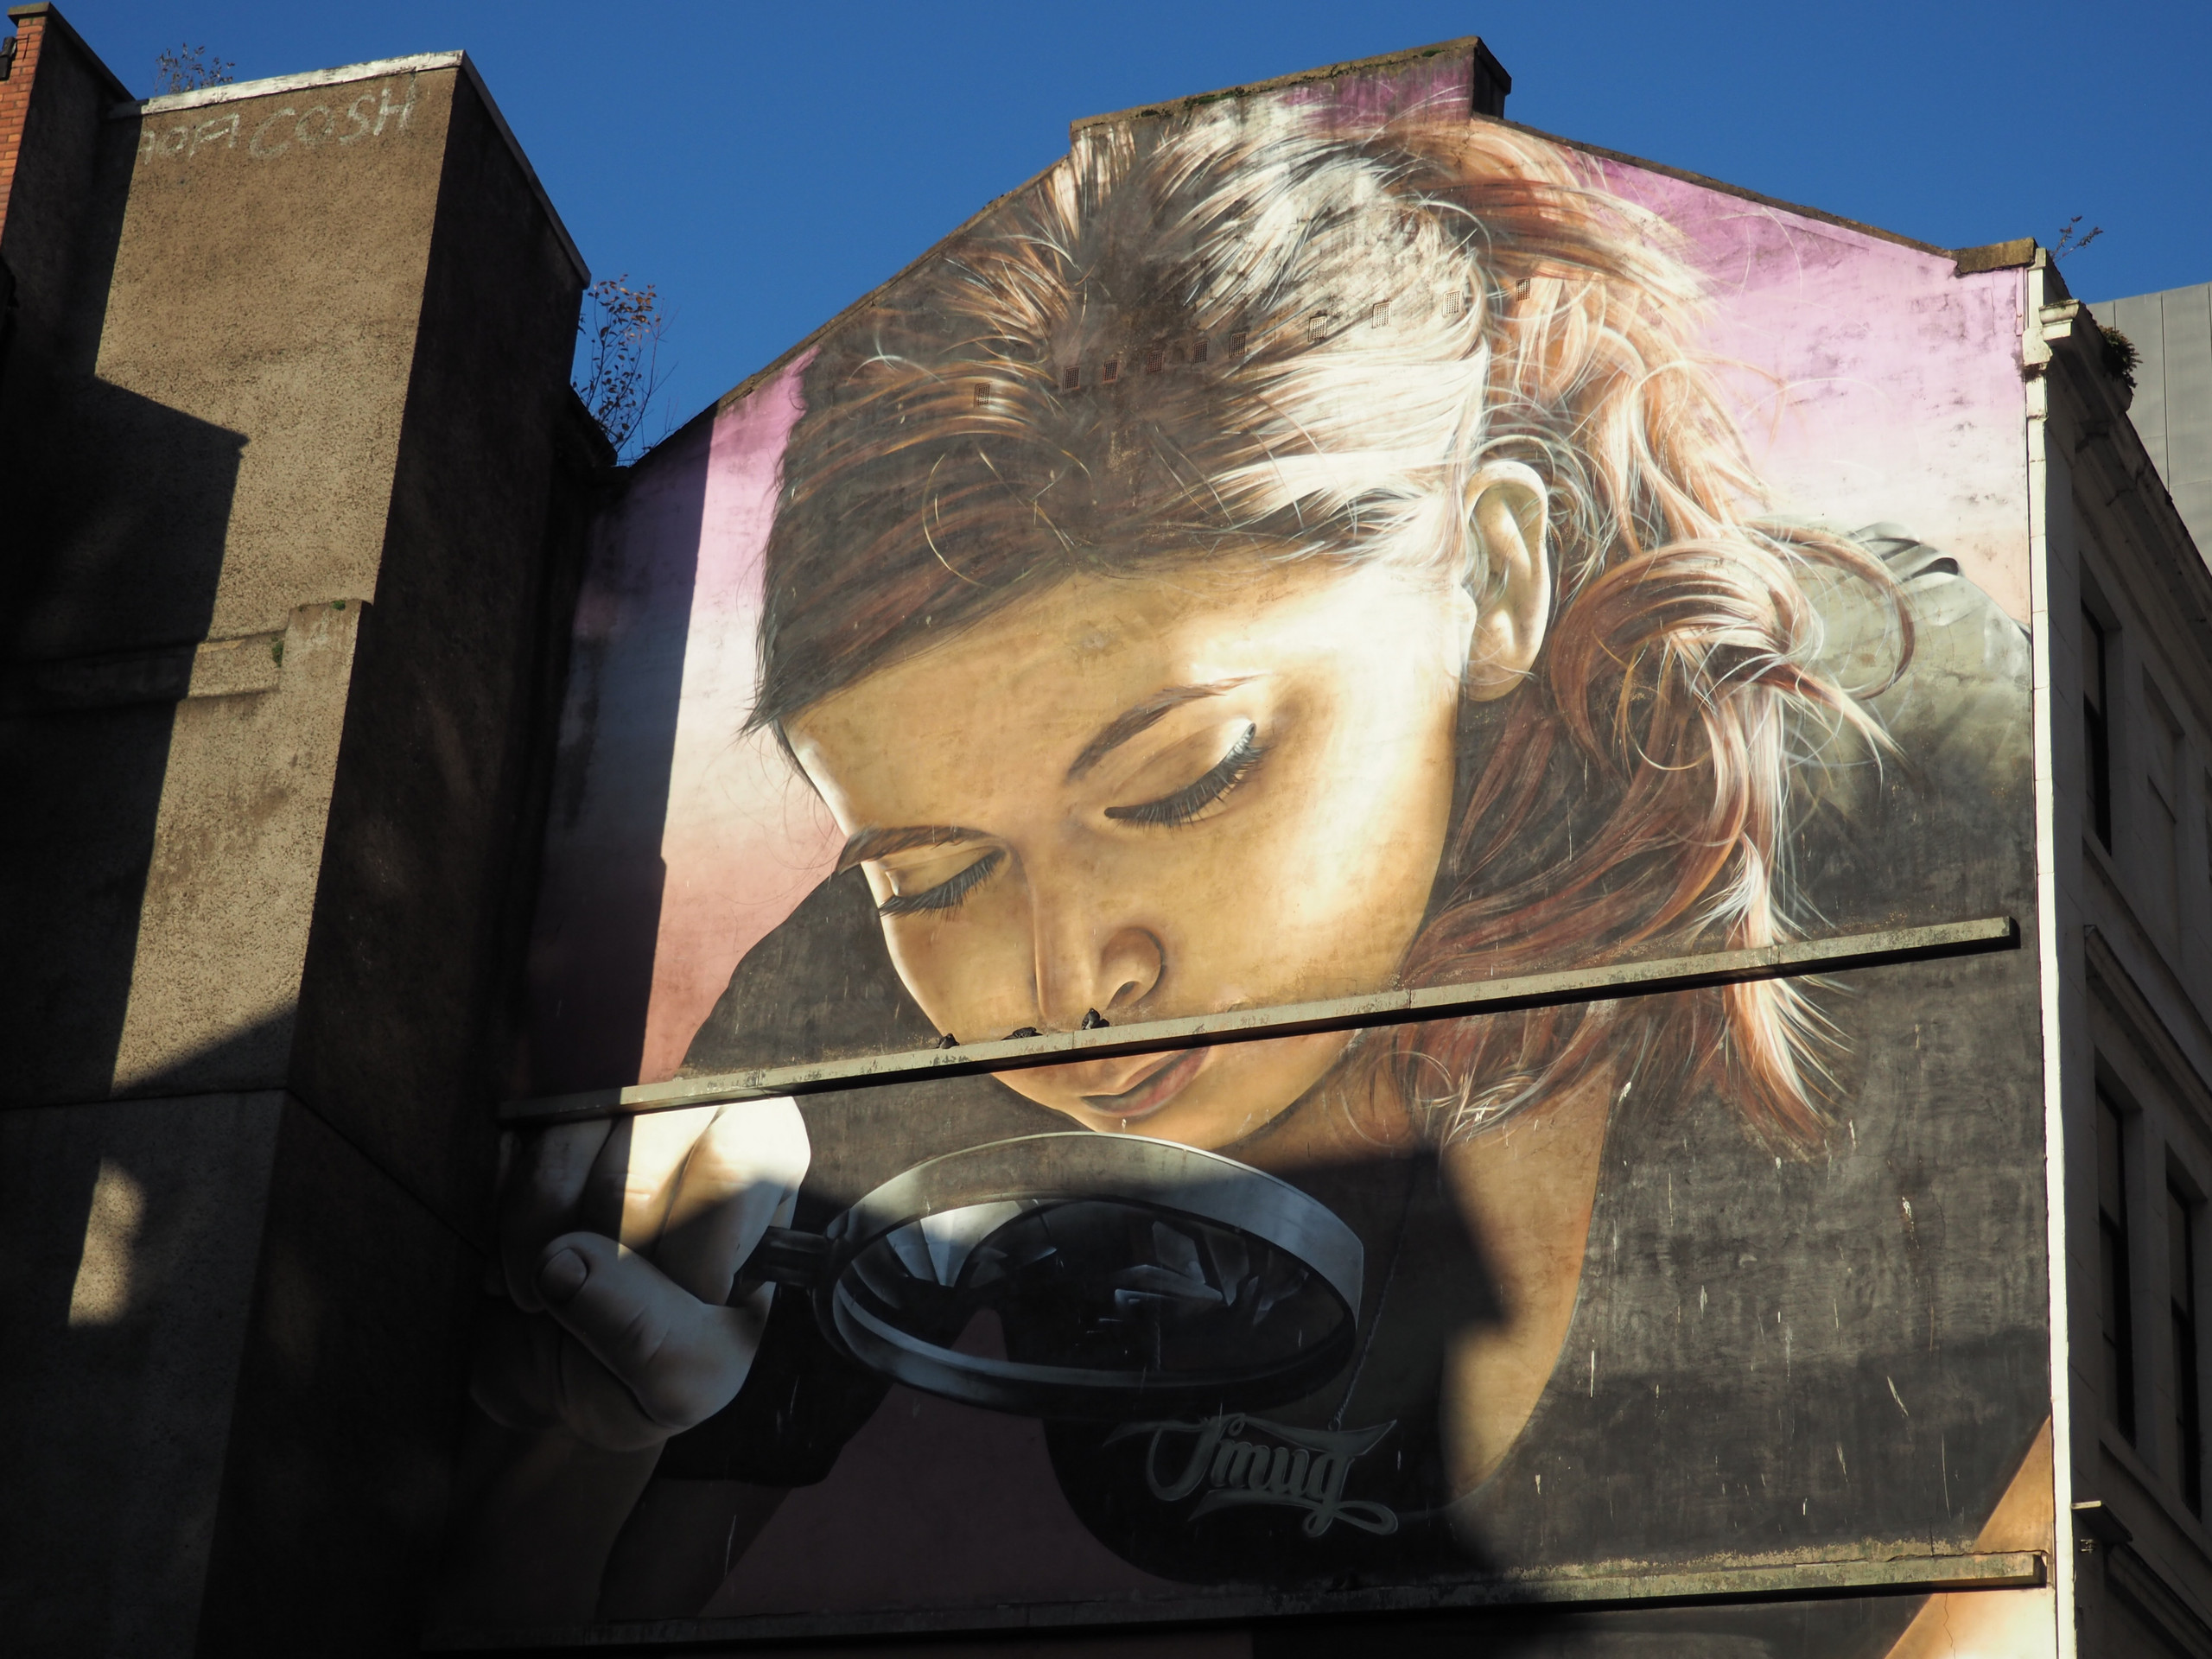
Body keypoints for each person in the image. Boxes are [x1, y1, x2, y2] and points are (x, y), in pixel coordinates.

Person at [442, 103, 2043, 1645]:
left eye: (1187, 779)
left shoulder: (1879, 731)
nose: (1064, 983)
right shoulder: (861, 1024)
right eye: (934, 876)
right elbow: (546, 1598)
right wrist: (608, 1426)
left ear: (1491, 577)